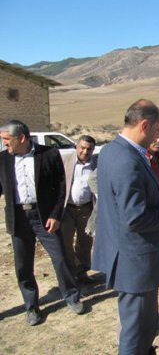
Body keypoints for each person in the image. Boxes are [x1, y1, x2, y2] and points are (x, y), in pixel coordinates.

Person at [92, 99, 159, 355]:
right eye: (158, 131)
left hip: (129, 256)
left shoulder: (112, 151)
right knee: (135, 332)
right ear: (144, 125)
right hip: (135, 261)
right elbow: (134, 218)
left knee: (144, 327)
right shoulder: (127, 160)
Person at [0, 120, 85, 326]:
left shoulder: (48, 154)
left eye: (6, 140)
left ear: (21, 138)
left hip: (45, 217)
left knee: (61, 258)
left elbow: (61, 187)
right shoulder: (2, 159)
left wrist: (56, 215)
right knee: (23, 265)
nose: (4, 145)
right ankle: (32, 307)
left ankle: (71, 297)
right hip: (19, 218)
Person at [61, 135, 98, 284]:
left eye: (89, 149)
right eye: (82, 148)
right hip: (67, 209)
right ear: (76, 146)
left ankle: (82, 272)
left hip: (87, 209)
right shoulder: (65, 162)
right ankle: (69, 274)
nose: (85, 151)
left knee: (85, 242)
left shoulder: (96, 164)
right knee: (66, 242)